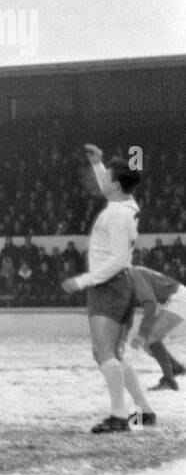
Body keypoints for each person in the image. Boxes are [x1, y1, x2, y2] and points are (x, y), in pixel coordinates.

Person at [60, 145, 151, 432]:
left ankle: (119, 416)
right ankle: (143, 410)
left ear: (115, 184)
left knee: (103, 352)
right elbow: (108, 187)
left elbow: (118, 259)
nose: (103, 181)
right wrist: (99, 164)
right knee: (111, 353)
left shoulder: (116, 215)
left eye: (107, 176)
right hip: (119, 285)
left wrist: (81, 281)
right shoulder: (126, 205)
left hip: (108, 286)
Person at [128, 264, 186, 392]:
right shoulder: (134, 272)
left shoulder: (133, 274)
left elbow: (151, 305)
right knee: (148, 345)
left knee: (150, 339)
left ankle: (169, 379)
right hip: (176, 298)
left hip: (178, 299)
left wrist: (141, 333)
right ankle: (175, 368)